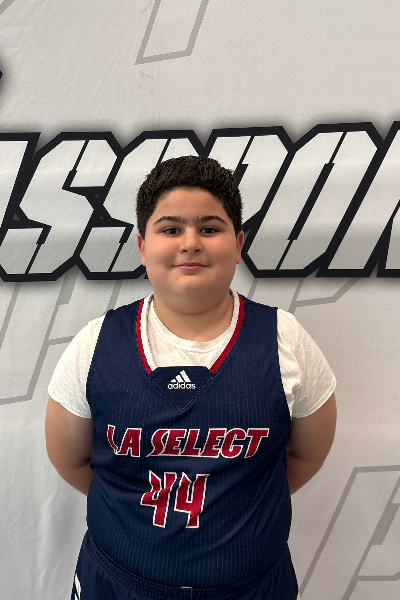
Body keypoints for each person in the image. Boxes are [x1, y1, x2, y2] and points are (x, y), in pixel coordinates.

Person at [45, 156, 337, 600]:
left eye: (209, 228)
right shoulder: (96, 343)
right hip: (119, 583)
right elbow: (71, 461)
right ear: (142, 246)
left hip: (251, 588)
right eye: (170, 229)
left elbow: (304, 457)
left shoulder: (286, 340)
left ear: (238, 244)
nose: (190, 243)